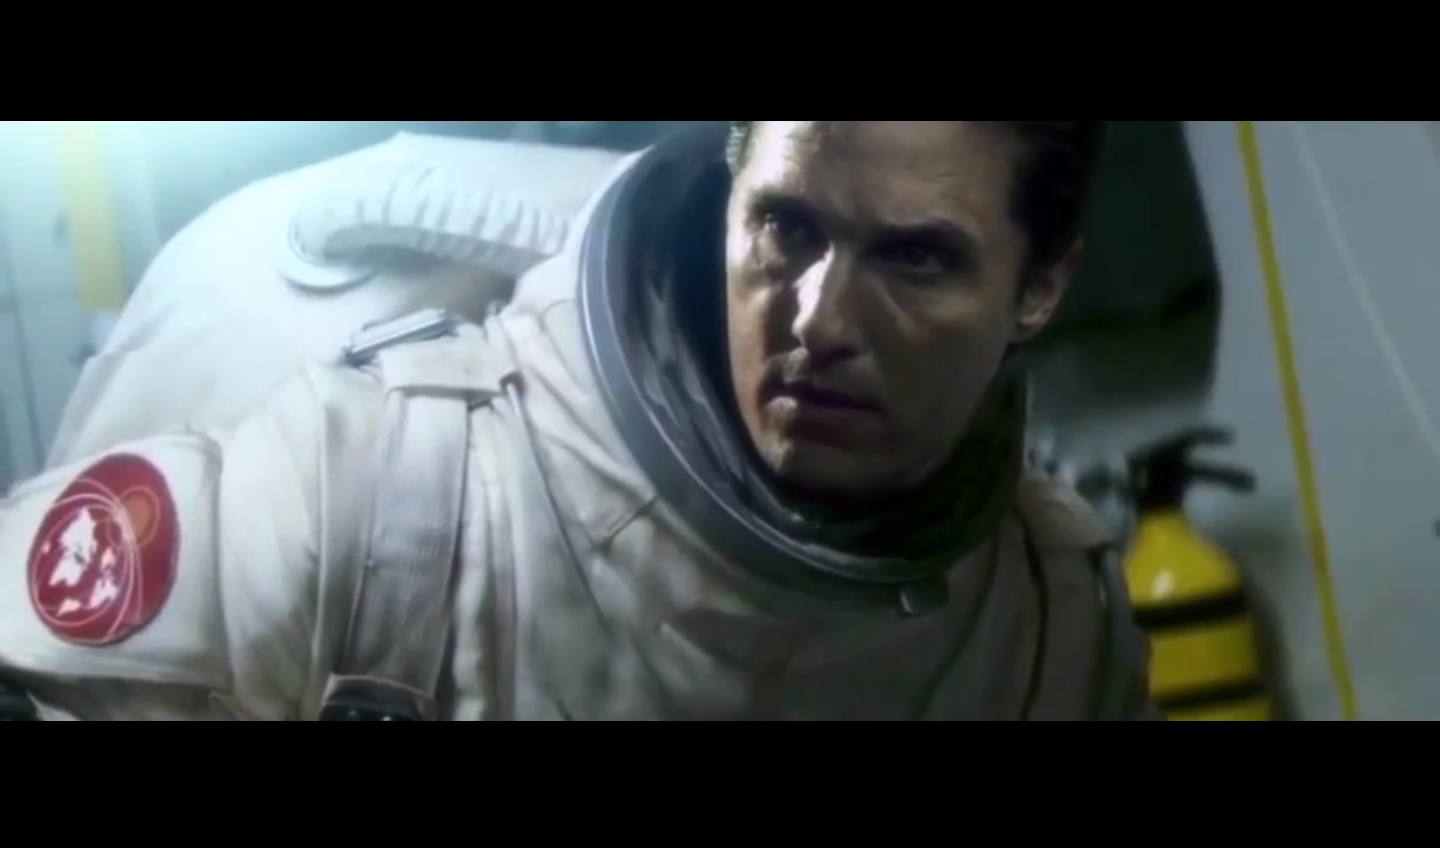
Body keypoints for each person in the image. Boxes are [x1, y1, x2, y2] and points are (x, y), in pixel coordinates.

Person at [0, 120, 1162, 720]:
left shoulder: (1053, 631)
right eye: (787, 228)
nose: (821, 319)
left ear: (1039, 285)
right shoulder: (395, 497)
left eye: (915, 258)